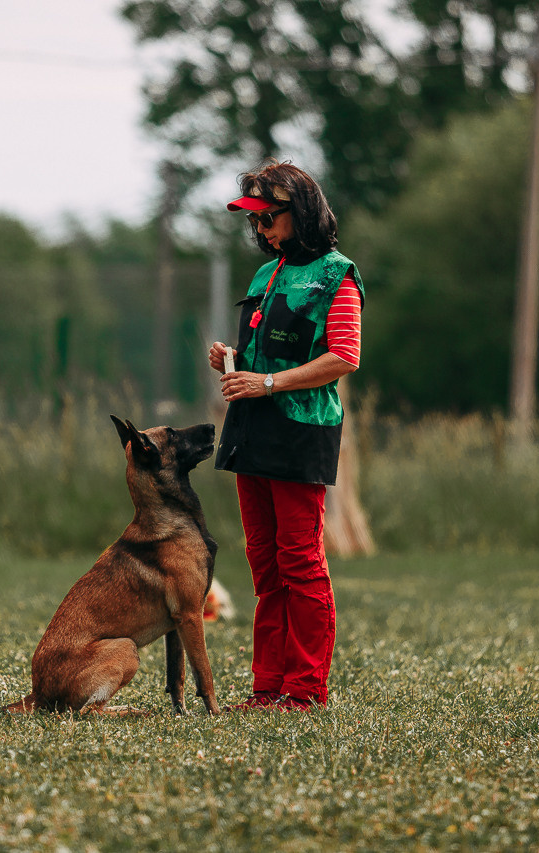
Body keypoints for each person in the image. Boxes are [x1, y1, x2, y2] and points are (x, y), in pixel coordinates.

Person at [207, 160, 364, 712]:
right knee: (265, 566)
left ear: (300, 212)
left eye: (269, 218)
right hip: (252, 429)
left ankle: (305, 690)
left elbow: (344, 356)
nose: (261, 230)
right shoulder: (265, 274)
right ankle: (266, 688)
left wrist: (269, 381)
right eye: (254, 220)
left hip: (302, 431)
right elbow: (262, 354)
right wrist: (232, 361)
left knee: (300, 561)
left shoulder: (336, 273)